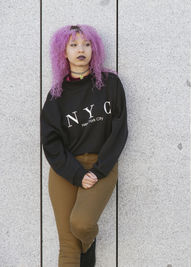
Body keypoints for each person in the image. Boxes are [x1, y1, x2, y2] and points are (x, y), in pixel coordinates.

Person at [41, 25, 128, 266]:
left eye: (87, 44)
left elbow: (119, 131)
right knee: (68, 246)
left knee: (81, 224)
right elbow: (51, 143)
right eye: (74, 45)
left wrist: (98, 171)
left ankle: (88, 242)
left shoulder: (110, 84)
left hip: (101, 166)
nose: (81, 49)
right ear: (63, 52)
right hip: (66, 170)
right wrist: (77, 174)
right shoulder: (56, 95)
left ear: (94, 49)